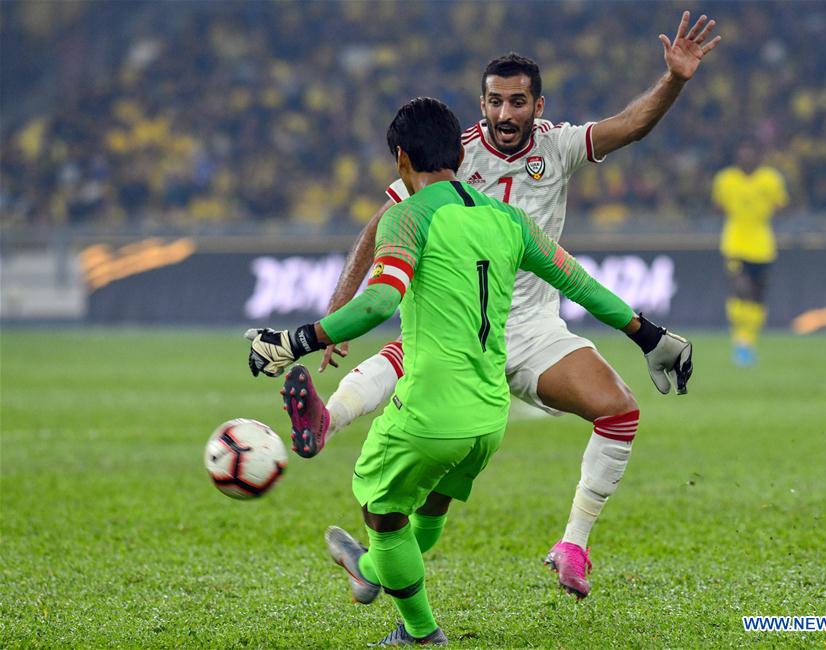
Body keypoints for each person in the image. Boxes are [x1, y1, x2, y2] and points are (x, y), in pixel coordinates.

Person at [290, 11, 720, 599]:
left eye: (518, 102)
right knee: (411, 370)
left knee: (619, 410)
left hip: (537, 329)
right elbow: (379, 224)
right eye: (494, 101)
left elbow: (630, 126)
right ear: (481, 103)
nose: (504, 114)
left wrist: (674, 80)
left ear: (537, 107)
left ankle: (571, 545)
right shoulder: (452, 156)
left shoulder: (560, 146)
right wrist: (341, 306)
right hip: (459, 318)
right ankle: (325, 422)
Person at [246, 97, 692, 646]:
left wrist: (295, 341)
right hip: (488, 420)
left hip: (429, 411)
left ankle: (418, 632)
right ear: (460, 152)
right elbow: (580, 285)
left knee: (380, 513)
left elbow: (378, 303)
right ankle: (373, 570)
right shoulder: (507, 220)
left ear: (401, 159)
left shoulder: (405, 216)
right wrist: (647, 334)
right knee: (431, 500)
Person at [712, 140, 788, 366]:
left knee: (757, 297)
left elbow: (781, 205)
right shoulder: (726, 179)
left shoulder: (771, 179)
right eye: (741, 155)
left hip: (763, 246)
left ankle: (748, 341)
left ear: (758, 157)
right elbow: (718, 206)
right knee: (740, 289)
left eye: (749, 155)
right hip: (735, 243)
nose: (745, 159)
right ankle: (740, 340)